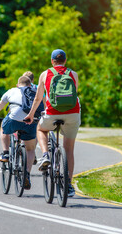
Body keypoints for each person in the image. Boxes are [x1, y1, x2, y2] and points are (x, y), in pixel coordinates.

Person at [24, 49, 81, 197]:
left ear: (52, 61)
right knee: (69, 149)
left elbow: (38, 99)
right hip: (72, 113)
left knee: (41, 129)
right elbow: (74, 94)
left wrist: (30, 115)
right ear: (65, 61)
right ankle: (68, 185)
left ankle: (45, 155)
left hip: (52, 113)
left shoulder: (45, 74)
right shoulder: (73, 74)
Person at [0, 75, 38, 190]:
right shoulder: (34, 91)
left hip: (14, 119)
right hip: (30, 121)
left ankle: (5, 153)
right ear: (30, 85)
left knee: (3, 127)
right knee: (30, 149)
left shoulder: (11, 91)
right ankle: (26, 174)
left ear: (17, 85)